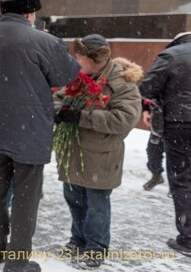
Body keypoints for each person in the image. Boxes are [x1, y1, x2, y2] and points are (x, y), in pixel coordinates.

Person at [0, 0, 80, 272]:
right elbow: (68, 74)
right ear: (30, 14)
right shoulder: (43, 40)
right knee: (26, 197)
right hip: (30, 131)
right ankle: (17, 263)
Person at [53, 34, 142, 269]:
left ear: (96, 59)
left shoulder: (121, 82)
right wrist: (58, 110)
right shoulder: (77, 75)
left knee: (97, 205)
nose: (76, 59)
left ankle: (96, 247)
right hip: (74, 153)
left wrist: (81, 116)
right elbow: (57, 97)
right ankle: (78, 239)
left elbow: (124, 119)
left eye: (80, 56)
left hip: (101, 154)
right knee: (74, 199)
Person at [139, 31, 191, 257]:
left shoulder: (170, 56)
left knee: (182, 180)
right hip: (179, 120)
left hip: (179, 123)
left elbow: (146, 89)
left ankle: (188, 238)